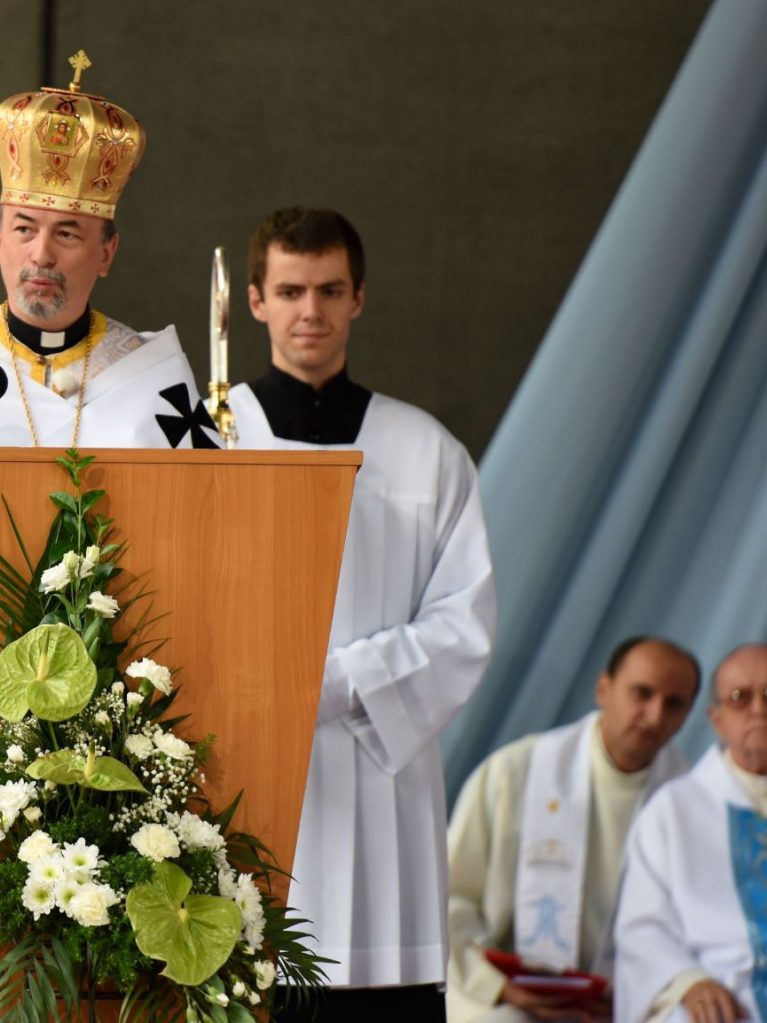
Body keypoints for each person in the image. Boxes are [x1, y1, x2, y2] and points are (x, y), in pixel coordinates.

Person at [229, 206, 498, 1021]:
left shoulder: (424, 450)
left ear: (358, 300)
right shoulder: (208, 440)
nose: (310, 310)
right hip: (246, 772)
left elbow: (467, 621)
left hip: (383, 781)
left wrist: (338, 681)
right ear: (255, 301)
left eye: (329, 290)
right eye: (291, 290)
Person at [0, 51, 219, 451]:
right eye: (24, 229)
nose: (41, 255)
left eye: (67, 234)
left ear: (107, 253)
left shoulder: (150, 376)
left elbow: (205, 504)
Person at [446, 637, 701, 1023]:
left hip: (629, 1002)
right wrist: (496, 984)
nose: (654, 715)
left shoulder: (691, 804)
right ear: (604, 688)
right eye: (642, 693)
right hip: (512, 994)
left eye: (674, 704)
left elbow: (700, 928)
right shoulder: (514, 774)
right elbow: (448, 898)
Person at [614, 644, 767, 1023]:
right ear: (717, 719)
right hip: (726, 999)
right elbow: (642, 927)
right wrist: (688, 983)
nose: (759, 709)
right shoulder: (674, 809)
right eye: (739, 697)